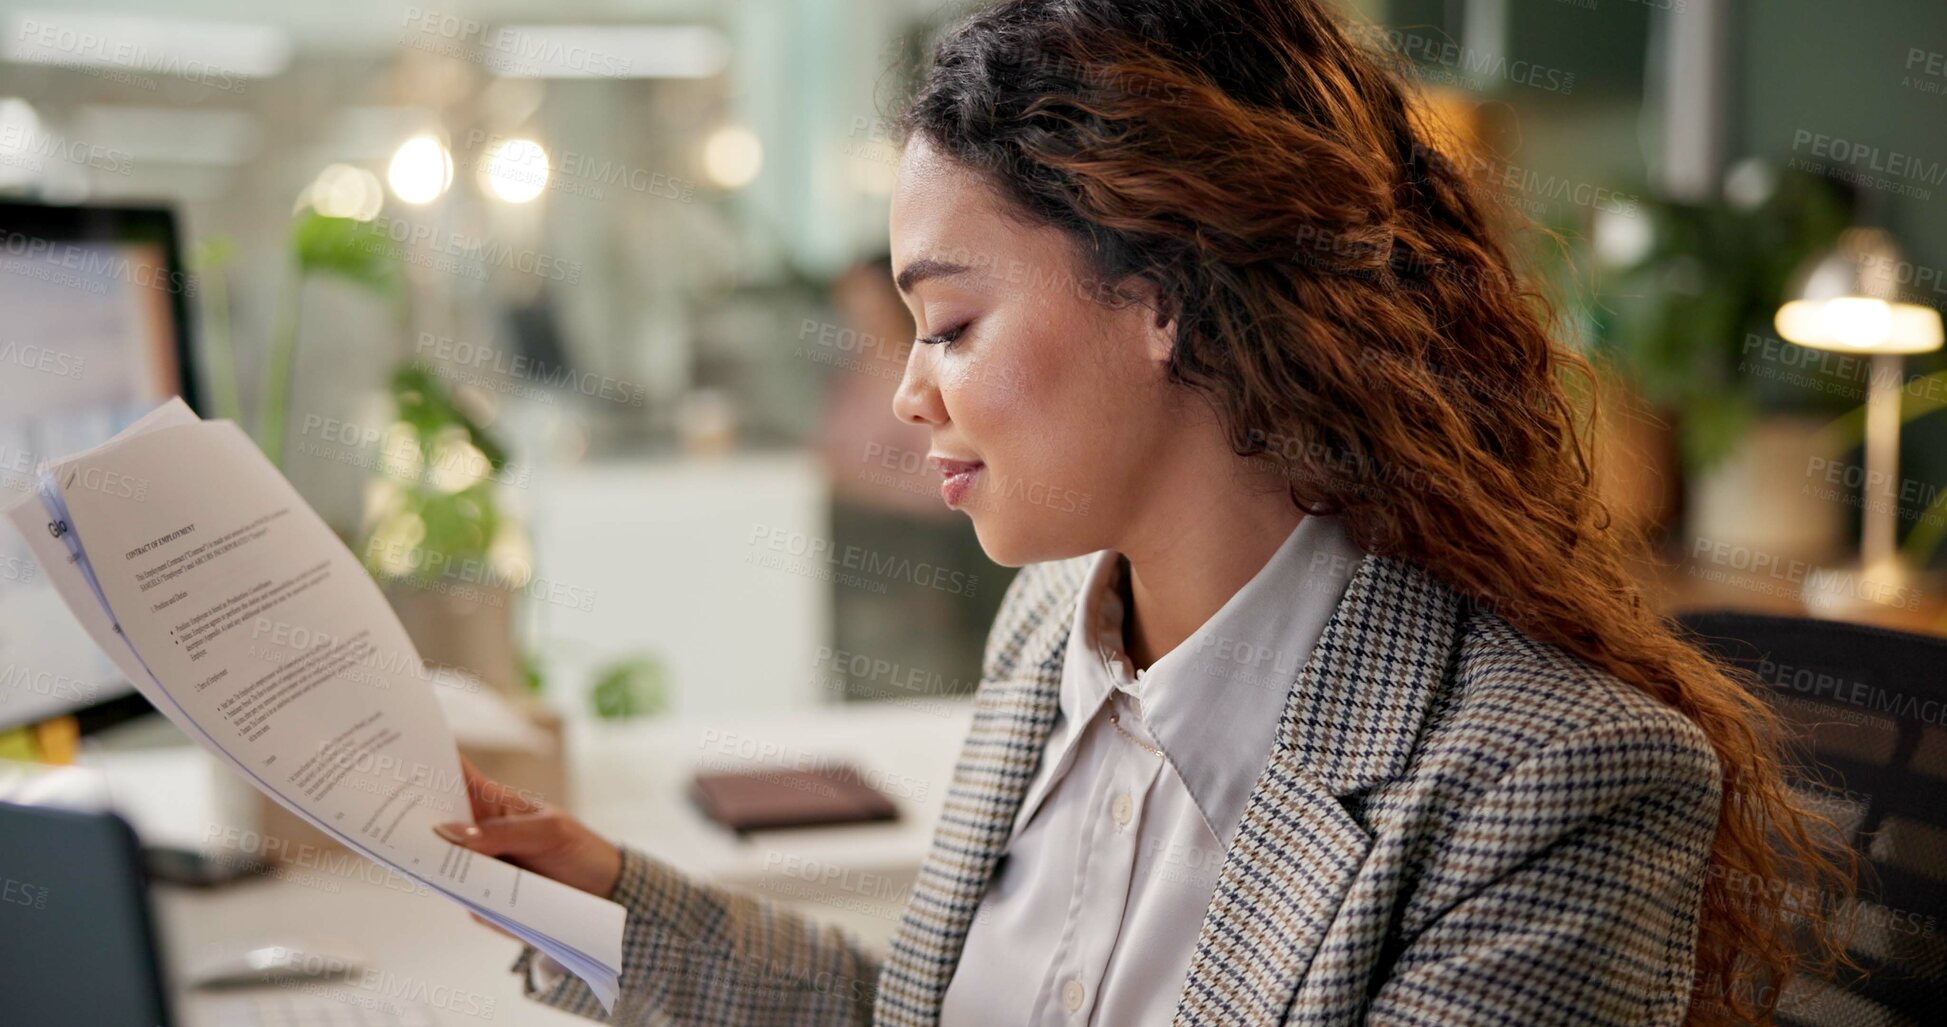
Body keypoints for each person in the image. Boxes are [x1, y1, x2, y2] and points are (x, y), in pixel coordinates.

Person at [441, 1, 1853, 1023]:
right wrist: (604, 899)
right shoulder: (1056, 623)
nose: (912, 399)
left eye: (950, 324)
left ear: (1163, 299)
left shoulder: (1555, 783)